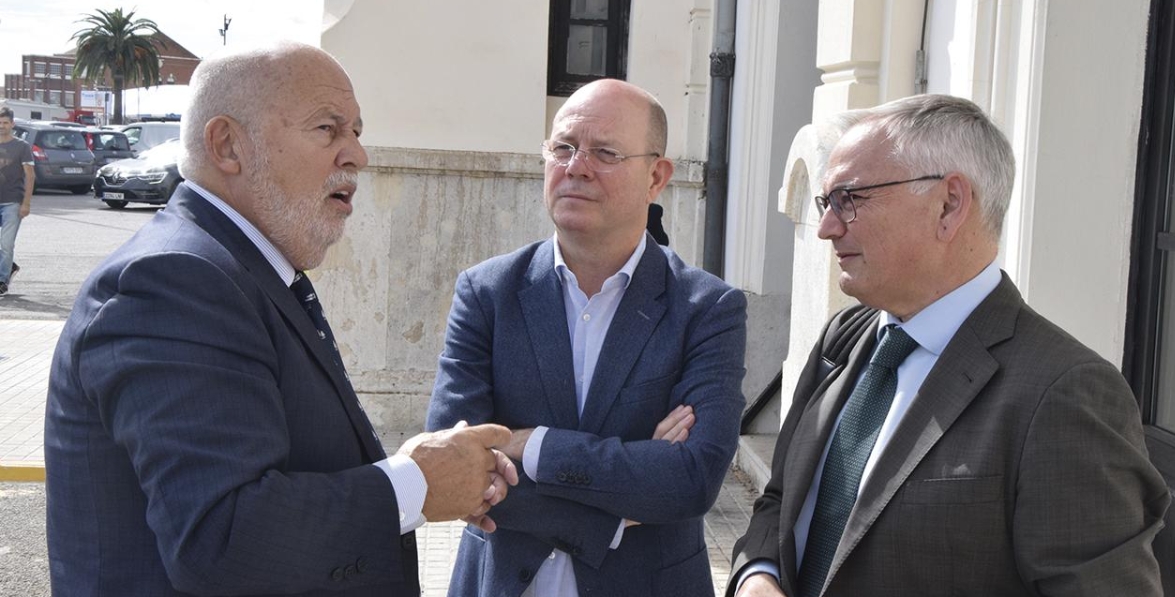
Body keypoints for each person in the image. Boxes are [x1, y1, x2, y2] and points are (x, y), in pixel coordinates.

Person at [45, 42, 517, 597]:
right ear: (227, 145)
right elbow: (224, 539)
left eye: (357, 132)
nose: (357, 156)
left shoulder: (241, 268)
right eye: (327, 129)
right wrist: (417, 484)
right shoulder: (174, 281)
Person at [729, 94, 1170, 597]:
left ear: (949, 204)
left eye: (849, 199)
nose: (828, 227)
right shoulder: (844, 338)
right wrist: (755, 576)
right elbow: (780, 499)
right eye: (826, 203)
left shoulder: (1064, 393)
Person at [426, 78, 748, 596]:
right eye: (564, 148)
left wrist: (535, 447)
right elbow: (456, 469)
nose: (576, 166)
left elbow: (691, 480)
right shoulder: (487, 292)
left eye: (605, 152)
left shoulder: (706, 308)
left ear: (656, 177)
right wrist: (615, 510)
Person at [0, 106, 34, 296]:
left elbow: (30, 176)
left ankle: (2, 281)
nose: (2, 126)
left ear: (12, 124)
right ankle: (9, 266)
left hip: (12, 202)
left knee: (6, 244)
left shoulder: (22, 147)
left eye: (5, 123)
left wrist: (26, 203)